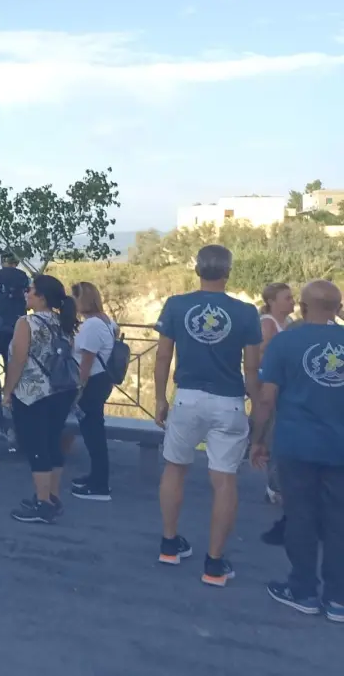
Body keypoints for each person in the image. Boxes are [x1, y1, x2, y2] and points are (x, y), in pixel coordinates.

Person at [153, 244, 262, 586]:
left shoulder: (177, 305)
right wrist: (257, 410)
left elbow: (161, 358)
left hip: (187, 398)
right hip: (228, 402)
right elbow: (253, 368)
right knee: (224, 480)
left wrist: (160, 399)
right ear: (228, 271)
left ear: (197, 270)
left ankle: (169, 545)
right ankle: (214, 564)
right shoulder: (246, 313)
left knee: (175, 469)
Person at [249, 280, 344, 621]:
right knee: (339, 519)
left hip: (296, 444)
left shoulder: (286, 342)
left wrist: (257, 439)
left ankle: (303, 589)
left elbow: (266, 397)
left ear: (303, 307)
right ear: (338, 307)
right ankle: (338, 599)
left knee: (300, 517)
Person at [2, 274, 80, 525]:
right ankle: (51, 496)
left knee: (36, 446)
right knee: (52, 442)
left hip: (33, 392)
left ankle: (42, 503)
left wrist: (7, 391)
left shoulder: (26, 323)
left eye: (30, 290)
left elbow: (18, 359)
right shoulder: (63, 321)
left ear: (41, 297)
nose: (26, 293)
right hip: (61, 390)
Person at [68, 282, 118, 502]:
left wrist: (78, 389)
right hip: (101, 381)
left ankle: (99, 485)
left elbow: (86, 362)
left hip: (92, 384)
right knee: (93, 432)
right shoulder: (106, 322)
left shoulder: (92, 326)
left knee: (93, 434)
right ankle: (95, 477)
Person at [258, 281, 296, 544]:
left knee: (279, 429)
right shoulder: (267, 323)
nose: (291, 302)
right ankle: (273, 485)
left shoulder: (290, 321)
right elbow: (263, 355)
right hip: (268, 383)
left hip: (284, 383)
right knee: (272, 431)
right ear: (272, 301)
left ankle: (276, 483)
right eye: (287, 298)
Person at [0, 251, 30, 368]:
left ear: (2, 262)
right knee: (13, 366)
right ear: (16, 263)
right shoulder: (25, 278)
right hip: (17, 328)